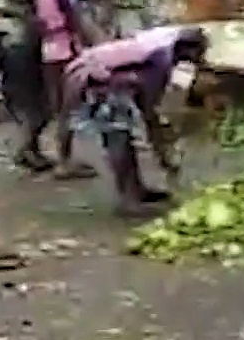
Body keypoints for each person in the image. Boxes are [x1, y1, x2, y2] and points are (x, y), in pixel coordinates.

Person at [60, 25, 207, 213]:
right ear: (187, 49)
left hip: (107, 80)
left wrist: (159, 144)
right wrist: (162, 151)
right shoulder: (160, 60)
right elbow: (149, 109)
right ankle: (128, 201)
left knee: (126, 139)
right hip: (95, 81)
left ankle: (136, 190)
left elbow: (144, 100)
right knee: (118, 140)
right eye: (197, 54)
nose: (196, 61)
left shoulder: (162, 51)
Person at [29, 0, 95, 178]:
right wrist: (89, 43)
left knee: (59, 106)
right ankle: (64, 160)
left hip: (49, 48)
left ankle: (59, 156)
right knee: (69, 107)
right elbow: (73, 15)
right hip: (65, 47)